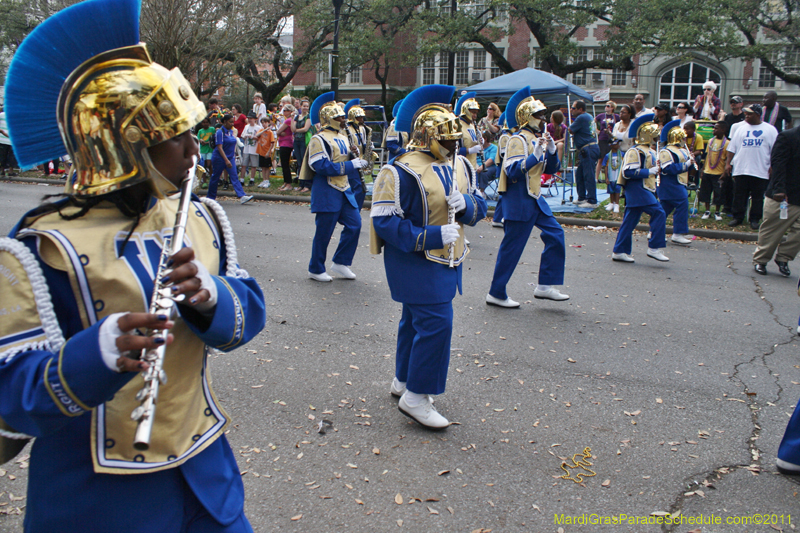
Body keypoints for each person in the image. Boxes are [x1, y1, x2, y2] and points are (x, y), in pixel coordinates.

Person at [0, 0, 267, 530]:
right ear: (124, 147)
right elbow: (12, 394)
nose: (193, 149)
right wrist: (97, 352)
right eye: (174, 136)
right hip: (97, 499)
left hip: (206, 474)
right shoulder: (42, 247)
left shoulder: (201, 217)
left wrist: (210, 295)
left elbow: (248, 314)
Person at [369, 84, 487, 429]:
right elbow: (384, 223)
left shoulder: (461, 164)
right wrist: (431, 236)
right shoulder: (398, 171)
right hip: (414, 263)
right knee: (436, 325)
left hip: (450, 258)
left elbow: (480, 203)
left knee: (413, 322)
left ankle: (404, 379)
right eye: (446, 139)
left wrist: (468, 205)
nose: (453, 145)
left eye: (455, 139)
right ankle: (416, 397)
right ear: (427, 137)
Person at [486, 85, 569, 307]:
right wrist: (535, 156)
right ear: (527, 117)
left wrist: (551, 151)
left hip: (535, 198)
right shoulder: (517, 140)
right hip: (519, 199)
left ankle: (545, 286)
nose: (543, 119)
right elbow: (512, 171)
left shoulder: (537, 138)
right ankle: (496, 293)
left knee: (556, 234)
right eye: (538, 115)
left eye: (543, 115)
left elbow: (550, 169)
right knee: (512, 249)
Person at [299, 92, 368, 282]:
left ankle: (341, 262)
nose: (343, 120)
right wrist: (350, 164)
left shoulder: (343, 136)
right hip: (327, 190)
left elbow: (343, 159)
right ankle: (316, 268)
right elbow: (320, 166)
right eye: (339, 117)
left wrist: (354, 156)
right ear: (329, 119)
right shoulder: (318, 139)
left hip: (344, 189)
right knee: (324, 233)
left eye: (343, 116)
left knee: (355, 225)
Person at [611, 113, 670, 263]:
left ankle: (619, 250)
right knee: (659, 212)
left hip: (644, 188)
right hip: (637, 189)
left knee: (629, 222)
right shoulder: (635, 151)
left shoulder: (649, 150)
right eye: (654, 135)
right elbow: (627, 172)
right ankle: (654, 247)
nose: (657, 138)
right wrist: (648, 171)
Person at [752, 125, 800, 276]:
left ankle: (784, 258)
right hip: (784, 193)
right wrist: (779, 189)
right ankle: (761, 260)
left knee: (798, 234)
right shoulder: (788, 137)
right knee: (772, 229)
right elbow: (778, 164)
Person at [725, 104, 779, 229]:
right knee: (739, 195)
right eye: (746, 114)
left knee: (757, 197)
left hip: (761, 169)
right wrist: (728, 163)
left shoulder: (770, 130)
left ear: (758, 115)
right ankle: (738, 217)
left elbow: (775, 150)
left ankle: (754, 219)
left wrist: (773, 165)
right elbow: (732, 148)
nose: (747, 116)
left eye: (749, 114)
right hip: (741, 168)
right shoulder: (741, 129)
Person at [657, 120, 694, 245]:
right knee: (682, 203)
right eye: (683, 137)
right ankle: (678, 233)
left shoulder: (682, 150)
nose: (684, 140)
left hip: (678, 182)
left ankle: (654, 230)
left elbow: (686, 166)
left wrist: (691, 163)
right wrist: (686, 164)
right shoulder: (666, 151)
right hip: (669, 183)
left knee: (663, 209)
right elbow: (667, 168)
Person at [207, 114, 253, 204]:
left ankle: (242, 196)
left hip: (230, 157)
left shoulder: (231, 131)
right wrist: (226, 160)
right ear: (224, 122)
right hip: (219, 158)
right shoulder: (220, 132)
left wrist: (232, 156)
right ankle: (210, 197)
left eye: (233, 122)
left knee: (234, 176)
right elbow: (219, 147)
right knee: (215, 177)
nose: (232, 124)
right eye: (230, 122)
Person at [568, 99, 600, 208]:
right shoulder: (589, 116)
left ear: (580, 109)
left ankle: (592, 201)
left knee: (588, 175)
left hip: (588, 148)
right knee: (580, 174)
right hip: (589, 148)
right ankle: (582, 197)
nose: (571, 110)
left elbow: (570, 130)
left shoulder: (581, 117)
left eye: (573, 108)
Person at [698, 121, 730, 221]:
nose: (714, 130)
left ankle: (717, 211)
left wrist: (724, 172)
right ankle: (707, 210)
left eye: (716, 128)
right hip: (708, 171)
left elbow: (727, 159)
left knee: (718, 193)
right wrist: (703, 169)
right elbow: (707, 155)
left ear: (723, 130)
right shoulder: (711, 141)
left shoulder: (727, 143)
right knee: (706, 192)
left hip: (719, 173)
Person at [343, 99, 371, 208]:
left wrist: (368, 148)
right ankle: (352, 209)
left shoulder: (362, 128)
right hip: (352, 161)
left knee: (361, 189)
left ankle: (356, 209)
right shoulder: (347, 129)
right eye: (359, 117)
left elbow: (363, 143)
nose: (361, 119)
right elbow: (347, 146)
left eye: (362, 117)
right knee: (357, 187)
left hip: (360, 160)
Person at [491, 112, 513, 228]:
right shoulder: (505, 136)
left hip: (506, 168)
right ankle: (497, 218)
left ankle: (500, 217)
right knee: (503, 194)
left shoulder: (510, 136)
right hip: (504, 168)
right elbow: (505, 154)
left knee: (506, 194)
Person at [456, 91, 482, 169]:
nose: (475, 115)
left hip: (473, 165)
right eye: (473, 112)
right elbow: (453, 150)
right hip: (462, 166)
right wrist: (469, 150)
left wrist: (481, 141)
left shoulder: (472, 125)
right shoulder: (457, 125)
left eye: (476, 113)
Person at [595, 101, 619, 183]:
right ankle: (596, 178)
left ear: (612, 108)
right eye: (605, 106)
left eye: (608, 106)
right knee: (600, 159)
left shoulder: (616, 117)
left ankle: (609, 178)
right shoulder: (601, 115)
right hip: (602, 138)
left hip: (611, 139)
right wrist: (597, 131)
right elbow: (592, 122)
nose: (606, 107)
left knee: (610, 158)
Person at [292, 100, 313, 192]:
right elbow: (292, 128)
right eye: (304, 106)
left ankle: (307, 184)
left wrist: (296, 130)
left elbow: (305, 129)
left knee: (306, 162)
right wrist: (292, 119)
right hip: (297, 141)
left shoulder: (308, 116)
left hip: (304, 141)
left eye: (307, 106)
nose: (305, 108)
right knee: (299, 163)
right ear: (300, 106)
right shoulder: (297, 117)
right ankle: (301, 183)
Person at [276, 104, 295, 191]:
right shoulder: (290, 120)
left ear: (290, 112)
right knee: (284, 164)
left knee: (285, 164)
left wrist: (280, 133)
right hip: (285, 143)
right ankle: (286, 181)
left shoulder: (288, 121)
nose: (284, 112)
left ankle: (288, 183)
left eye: (285, 110)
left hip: (286, 144)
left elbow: (278, 131)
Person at [240, 111, 261, 186]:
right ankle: (242, 179)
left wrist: (252, 137)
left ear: (255, 119)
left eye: (251, 118)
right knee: (244, 164)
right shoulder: (246, 126)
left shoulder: (258, 127)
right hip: (246, 148)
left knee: (253, 165)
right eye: (249, 118)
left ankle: (252, 179)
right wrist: (245, 136)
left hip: (254, 149)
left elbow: (259, 138)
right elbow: (242, 135)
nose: (249, 120)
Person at [602, 140, 623, 213]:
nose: (618, 145)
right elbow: (606, 167)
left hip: (618, 175)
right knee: (611, 189)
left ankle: (617, 204)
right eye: (616, 144)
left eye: (618, 144)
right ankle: (612, 203)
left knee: (617, 189)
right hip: (611, 175)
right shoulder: (608, 155)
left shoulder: (622, 154)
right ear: (611, 145)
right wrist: (606, 177)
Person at [683, 120, 705, 187]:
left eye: (687, 129)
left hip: (693, 155)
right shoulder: (682, 137)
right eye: (684, 129)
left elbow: (699, 150)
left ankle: (691, 178)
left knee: (697, 158)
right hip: (683, 154)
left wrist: (692, 154)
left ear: (693, 130)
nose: (685, 131)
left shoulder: (698, 137)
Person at [255, 117, 275, 188]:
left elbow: (272, 143)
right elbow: (257, 135)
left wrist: (268, 152)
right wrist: (264, 130)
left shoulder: (270, 132)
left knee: (267, 167)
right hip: (261, 151)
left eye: (265, 122)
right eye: (262, 123)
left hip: (267, 152)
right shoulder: (261, 130)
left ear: (268, 123)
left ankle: (267, 180)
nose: (264, 124)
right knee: (262, 167)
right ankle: (264, 180)